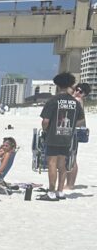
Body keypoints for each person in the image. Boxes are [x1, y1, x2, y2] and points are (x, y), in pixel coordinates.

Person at [39, 73, 85, 201]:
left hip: (53, 135)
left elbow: (45, 121)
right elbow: (81, 121)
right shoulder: (75, 102)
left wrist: (45, 130)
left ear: (58, 85)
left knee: (52, 163)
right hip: (67, 136)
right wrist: (70, 128)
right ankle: (60, 191)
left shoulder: (53, 101)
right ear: (70, 85)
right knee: (62, 164)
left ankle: (51, 192)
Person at [64, 82, 90, 191]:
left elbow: (80, 120)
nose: (78, 92)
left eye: (81, 91)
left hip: (74, 132)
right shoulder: (76, 100)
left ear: (85, 94)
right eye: (77, 90)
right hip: (72, 131)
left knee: (72, 158)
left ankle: (70, 184)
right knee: (70, 157)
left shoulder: (78, 101)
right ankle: (69, 183)